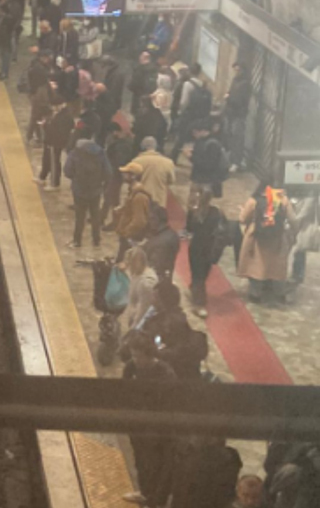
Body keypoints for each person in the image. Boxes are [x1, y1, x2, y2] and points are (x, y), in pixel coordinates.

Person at [122, 331, 176, 507]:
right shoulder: (131, 368)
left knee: (156, 468)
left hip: (157, 433)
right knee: (140, 462)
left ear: (149, 354)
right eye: (133, 355)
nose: (135, 360)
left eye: (139, 356)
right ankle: (145, 492)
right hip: (137, 428)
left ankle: (155, 500)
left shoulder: (165, 374)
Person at [238, 183, 296, 304]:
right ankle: (279, 293)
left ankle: (256, 293)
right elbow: (292, 219)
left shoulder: (254, 200)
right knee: (277, 266)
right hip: (278, 238)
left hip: (256, 238)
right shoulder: (282, 199)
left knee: (256, 265)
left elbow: (243, 218)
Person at [64, 123, 111, 248]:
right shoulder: (101, 153)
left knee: (80, 216)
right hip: (96, 190)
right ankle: (96, 240)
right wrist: (100, 182)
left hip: (79, 190)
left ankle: (77, 241)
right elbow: (108, 172)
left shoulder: (75, 153)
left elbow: (67, 171)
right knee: (95, 215)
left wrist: (76, 178)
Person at [186, 193, 226, 317]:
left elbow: (189, 229)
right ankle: (197, 294)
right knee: (202, 274)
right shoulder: (217, 213)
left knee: (197, 273)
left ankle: (198, 301)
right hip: (209, 248)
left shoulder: (194, 213)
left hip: (196, 247)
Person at [114, 163, 152, 261]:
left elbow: (139, 221)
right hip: (128, 237)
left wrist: (126, 233)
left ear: (133, 176)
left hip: (131, 238)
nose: (123, 175)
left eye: (126, 173)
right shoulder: (132, 192)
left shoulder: (139, 197)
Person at [187, 118, 228, 209]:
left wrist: (191, 157)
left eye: (195, 132)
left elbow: (208, 165)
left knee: (201, 207)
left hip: (206, 181)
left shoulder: (212, 144)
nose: (194, 135)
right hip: (200, 179)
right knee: (194, 205)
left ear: (202, 131)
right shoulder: (202, 142)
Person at [37, 98, 74, 190]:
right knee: (48, 159)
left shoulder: (64, 116)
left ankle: (55, 183)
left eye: (55, 106)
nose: (53, 108)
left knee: (54, 162)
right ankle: (43, 177)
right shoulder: (61, 113)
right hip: (51, 141)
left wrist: (45, 126)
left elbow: (57, 131)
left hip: (55, 142)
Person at [223, 63, 252, 173]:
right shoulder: (235, 81)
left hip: (238, 115)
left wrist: (228, 98)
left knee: (237, 138)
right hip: (230, 113)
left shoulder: (245, 84)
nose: (236, 72)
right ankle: (231, 159)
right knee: (229, 137)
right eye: (235, 70)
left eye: (238, 70)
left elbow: (240, 101)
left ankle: (236, 162)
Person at [132, 137, 176, 210]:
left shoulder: (136, 161)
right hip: (159, 200)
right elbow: (171, 180)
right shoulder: (168, 162)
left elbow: (131, 180)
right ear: (156, 147)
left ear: (142, 147)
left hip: (140, 199)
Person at [122, 246, 159, 331]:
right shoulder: (137, 274)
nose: (128, 267)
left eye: (130, 263)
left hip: (143, 325)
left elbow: (143, 310)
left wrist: (134, 329)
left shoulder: (146, 283)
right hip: (134, 316)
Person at [143, 206, 180, 280]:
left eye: (152, 219)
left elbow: (155, 266)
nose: (149, 222)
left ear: (159, 220)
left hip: (155, 280)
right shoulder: (172, 234)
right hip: (165, 276)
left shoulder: (161, 241)